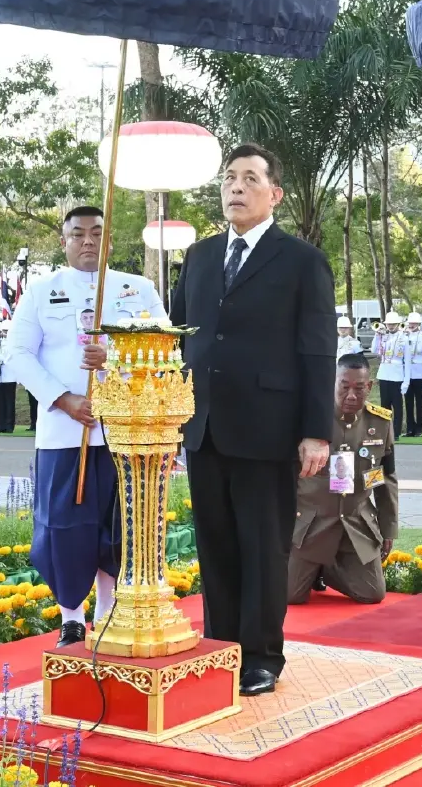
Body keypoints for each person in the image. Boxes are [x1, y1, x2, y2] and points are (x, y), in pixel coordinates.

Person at [169, 143, 335, 697]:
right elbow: (179, 338)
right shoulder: (199, 257)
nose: (235, 188)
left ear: (274, 193)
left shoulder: (301, 260)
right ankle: (221, 647)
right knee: (214, 542)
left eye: (248, 179)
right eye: (229, 179)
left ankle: (261, 656)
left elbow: (317, 350)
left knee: (264, 546)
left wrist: (316, 431)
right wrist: (170, 418)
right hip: (205, 424)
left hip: (268, 427)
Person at [6, 205, 165, 648]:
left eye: (97, 233)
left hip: (123, 431)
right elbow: (18, 354)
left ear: (109, 240)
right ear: (64, 241)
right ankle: (71, 616)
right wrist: (63, 398)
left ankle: (108, 606)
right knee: (64, 527)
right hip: (63, 435)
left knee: (118, 525)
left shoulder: (138, 289)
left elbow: (163, 346)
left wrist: (114, 359)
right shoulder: (41, 292)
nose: (88, 241)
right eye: (78, 234)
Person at [289, 353, 398, 605]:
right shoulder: (310, 418)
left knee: (372, 593)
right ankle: (310, 566)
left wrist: (388, 526)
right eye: (344, 386)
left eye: (359, 388)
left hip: (355, 524)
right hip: (311, 525)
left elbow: (383, 478)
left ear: (369, 387)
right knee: (291, 595)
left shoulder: (380, 423)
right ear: (332, 383)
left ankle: (324, 569)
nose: (351, 395)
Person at [373, 312, 406, 438]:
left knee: (397, 405)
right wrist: (377, 336)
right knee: (384, 404)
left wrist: (406, 380)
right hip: (384, 373)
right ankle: (385, 431)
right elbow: (374, 350)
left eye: (393, 324)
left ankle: (396, 432)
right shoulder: (383, 337)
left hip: (397, 374)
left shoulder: (403, 338)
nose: (391, 326)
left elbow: (406, 361)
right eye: (389, 324)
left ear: (398, 324)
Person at [400, 313, 422, 437]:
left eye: (414, 323)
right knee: (408, 402)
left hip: (420, 371)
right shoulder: (403, 335)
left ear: (418, 324)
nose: (411, 325)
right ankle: (410, 428)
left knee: (420, 402)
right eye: (410, 323)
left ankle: (419, 428)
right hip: (407, 372)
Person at [0, 320, 18, 434]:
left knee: (9, 402)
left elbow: (13, 359)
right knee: (1, 402)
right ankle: (2, 425)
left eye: (7, 331)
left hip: (10, 376)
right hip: (0, 377)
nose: (6, 333)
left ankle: (10, 425)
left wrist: (2, 359)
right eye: (4, 331)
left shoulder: (14, 343)